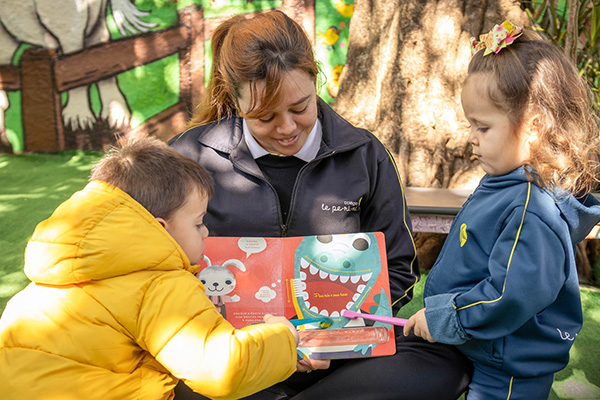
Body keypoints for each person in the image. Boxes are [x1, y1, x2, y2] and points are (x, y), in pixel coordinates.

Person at [169, 9, 472, 400]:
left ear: (316, 80)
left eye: (300, 107)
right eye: (264, 116)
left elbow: (398, 267)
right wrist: (246, 345)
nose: (287, 128)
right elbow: (158, 270)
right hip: (228, 356)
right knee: (173, 377)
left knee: (442, 362)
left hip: (339, 362)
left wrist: (337, 338)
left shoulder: (366, 155)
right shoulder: (187, 157)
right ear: (235, 100)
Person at [0, 137, 301, 400]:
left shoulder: (55, 272)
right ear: (159, 229)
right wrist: (284, 339)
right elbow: (221, 369)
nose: (206, 232)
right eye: (198, 223)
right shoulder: (158, 283)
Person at [403, 21, 600, 400]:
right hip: (482, 346)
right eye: (470, 125)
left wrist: (450, 317)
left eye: (483, 127)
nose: (471, 138)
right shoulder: (507, 182)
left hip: (508, 368)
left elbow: (508, 293)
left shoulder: (532, 210)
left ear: (533, 128)